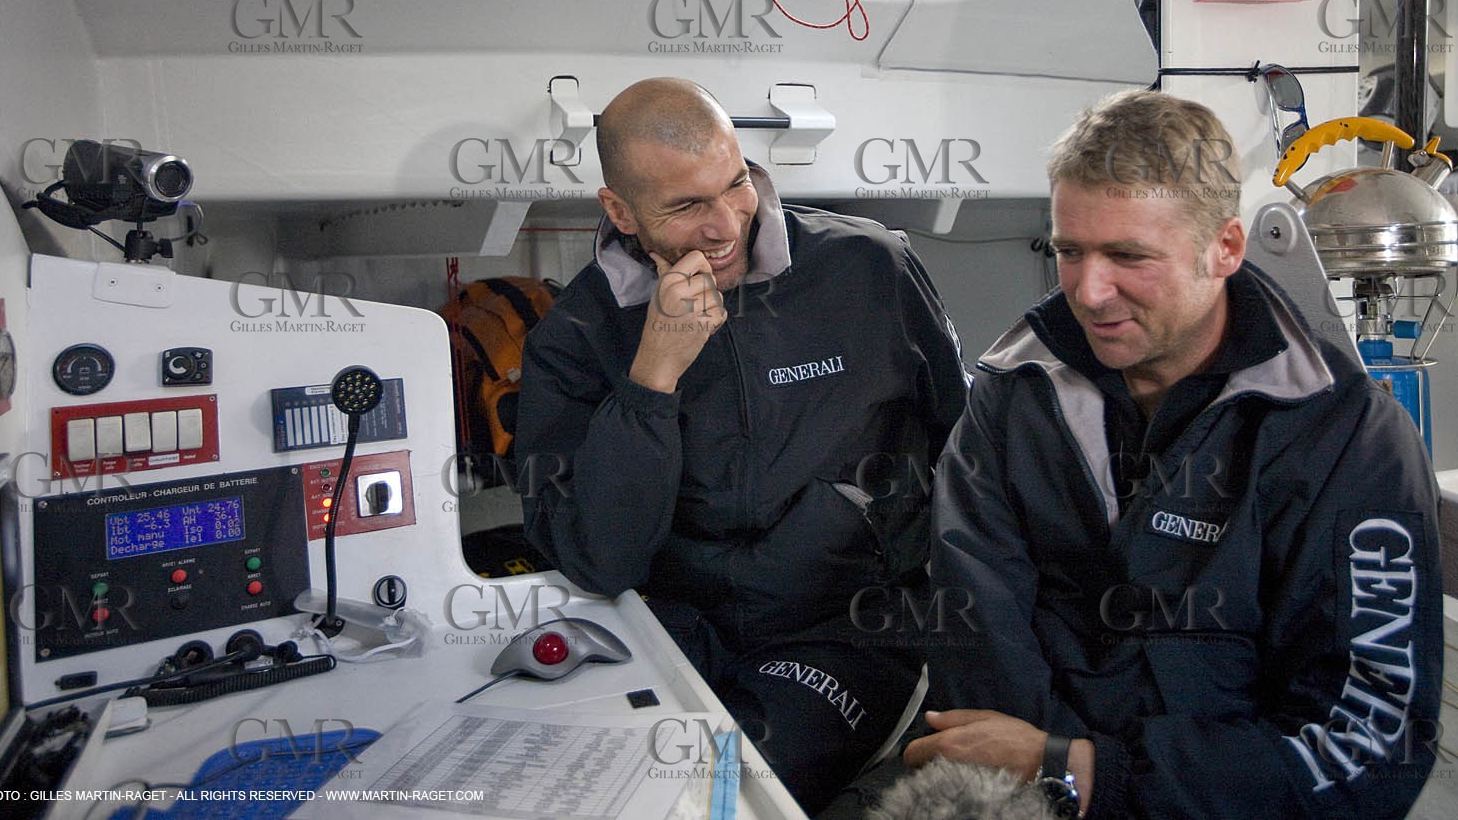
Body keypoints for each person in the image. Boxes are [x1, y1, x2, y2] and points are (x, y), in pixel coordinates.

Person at [911, 89, 1443, 819]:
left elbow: (1369, 745)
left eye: (1128, 256)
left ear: (1223, 248)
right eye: (1070, 252)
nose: (1090, 291)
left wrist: (1089, 773)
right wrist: (1043, 784)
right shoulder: (1013, 396)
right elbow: (976, 628)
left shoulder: (1346, 435)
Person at [515, 77, 968, 812]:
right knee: (593, 790)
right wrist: (652, 377)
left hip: (845, 626)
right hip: (671, 626)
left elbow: (964, 452)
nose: (725, 224)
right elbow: (602, 560)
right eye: (687, 207)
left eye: (735, 186)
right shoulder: (576, 334)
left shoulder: (870, 268)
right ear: (620, 211)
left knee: (726, 792)